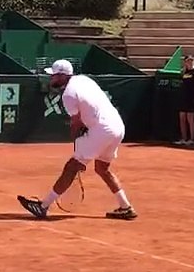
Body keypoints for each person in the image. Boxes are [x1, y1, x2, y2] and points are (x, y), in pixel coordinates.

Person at [17, 59, 135, 220]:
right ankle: (126, 207)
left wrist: (75, 139)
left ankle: (43, 206)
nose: (51, 79)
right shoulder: (85, 80)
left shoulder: (68, 95)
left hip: (102, 130)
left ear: (62, 76)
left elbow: (76, 122)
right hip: (117, 127)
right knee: (102, 168)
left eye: (54, 76)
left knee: (71, 167)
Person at [175, 55, 194, 146]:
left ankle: (192, 139)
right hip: (183, 97)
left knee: (190, 119)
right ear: (185, 62)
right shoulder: (184, 72)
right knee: (182, 117)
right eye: (188, 61)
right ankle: (184, 138)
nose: (190, 62)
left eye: (191, 60)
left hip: (192, 98)